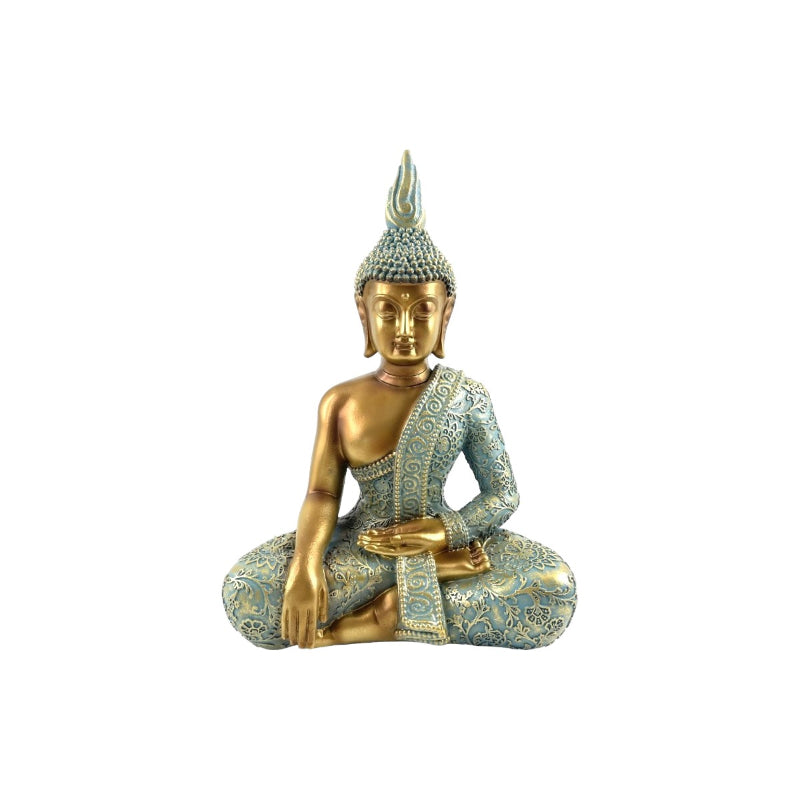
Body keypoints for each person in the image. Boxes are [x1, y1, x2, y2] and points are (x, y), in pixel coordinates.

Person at [223, 151, 576, 649]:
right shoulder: (341, 400)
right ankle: (422, 583)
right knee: (248, 594)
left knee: (552, 588)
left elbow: (503, 494)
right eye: (388, 311)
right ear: (363, 314)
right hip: (363, 547)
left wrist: (443, 532)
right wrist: (305, 565)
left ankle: (377, 615)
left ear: (446, 314)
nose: (405, 330)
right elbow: (322, 495)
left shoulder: (467, 397)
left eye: (423, 311)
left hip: (442, 537)